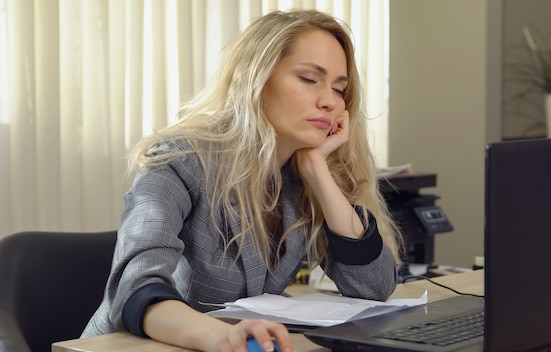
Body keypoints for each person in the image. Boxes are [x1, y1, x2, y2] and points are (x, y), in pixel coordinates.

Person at [82, 9, 403, 352]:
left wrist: (317, 171)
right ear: (257, 78)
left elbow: (374, 287)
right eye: (310, 79)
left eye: (339, 89)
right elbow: (135, 287)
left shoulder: (298, 178)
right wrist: (221, 336)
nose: (329, 101)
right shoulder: (179, 160)